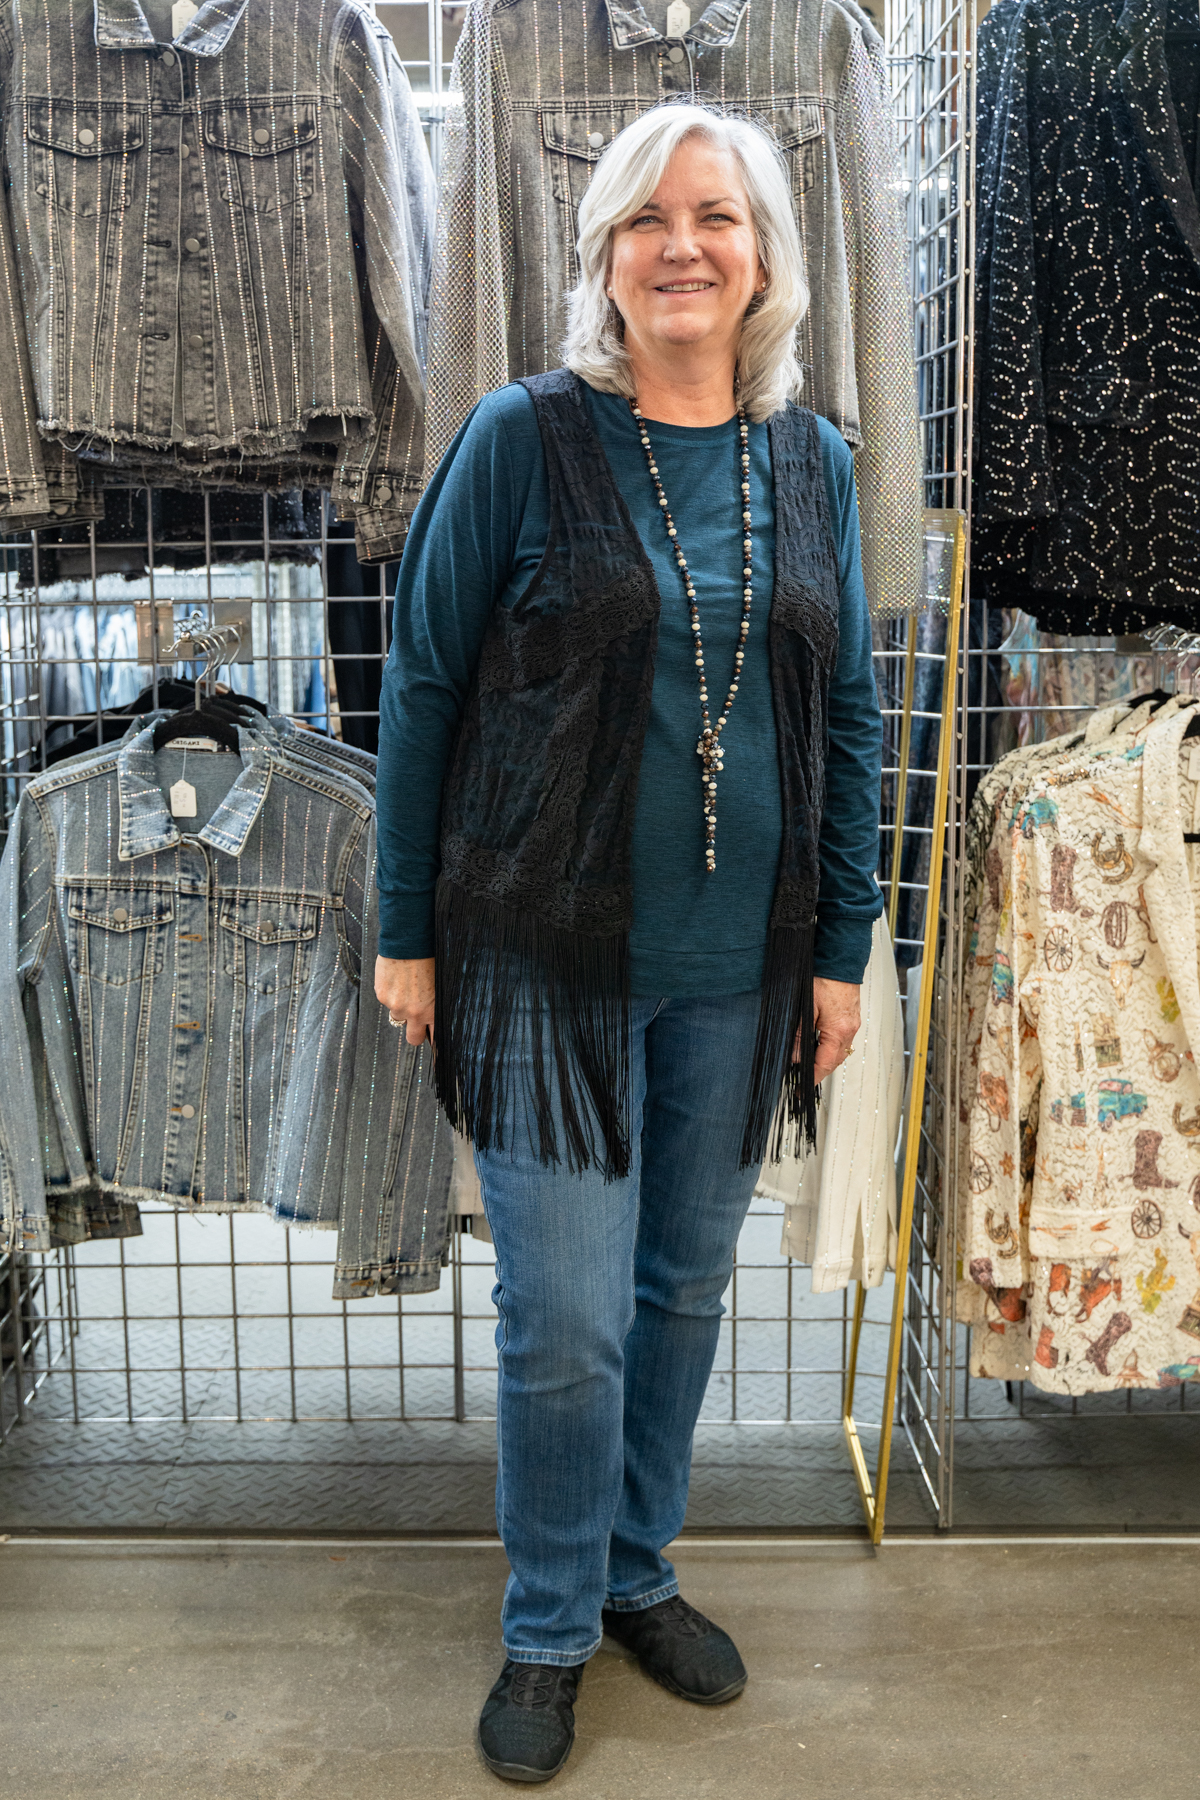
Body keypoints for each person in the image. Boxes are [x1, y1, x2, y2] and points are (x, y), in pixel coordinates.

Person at [374, 101, 884, 1784]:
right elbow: (423, 687)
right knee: (568, 1319)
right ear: (602, 254)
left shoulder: (814, 465)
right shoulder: (521, 439)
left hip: (743, 965)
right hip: (545, 959)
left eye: (717, 216)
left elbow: (852, 709)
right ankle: (546, 1625)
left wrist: (842, 945)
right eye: (649, 218)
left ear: (765, 257)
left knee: (679, 1291)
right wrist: (405, 934)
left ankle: (635, 1573)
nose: (684, 245)